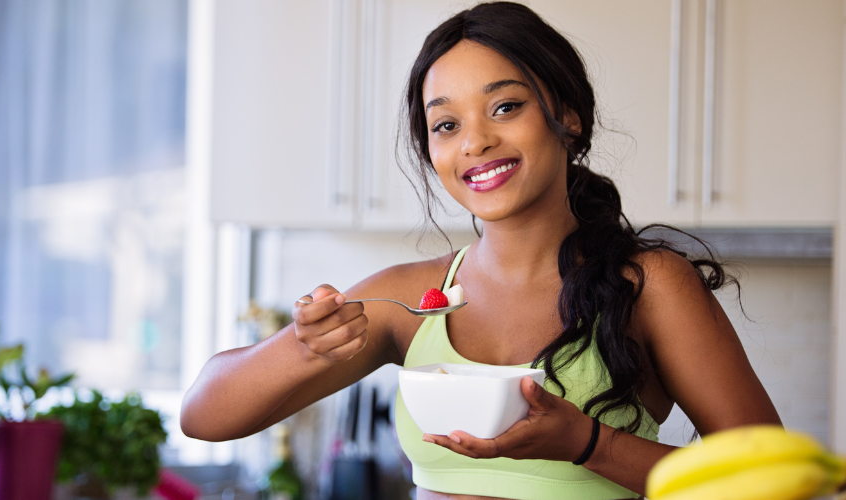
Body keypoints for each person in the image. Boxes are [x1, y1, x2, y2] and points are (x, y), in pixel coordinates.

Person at [180, 2, 781, 499]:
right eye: (446, 125)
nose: (476, 141)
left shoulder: (647, 286)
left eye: (506, 107)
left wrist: (588, 444)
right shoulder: (410, 299)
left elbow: (767, 479)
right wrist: (302, 345)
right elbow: (205, 417)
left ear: (566, 116)